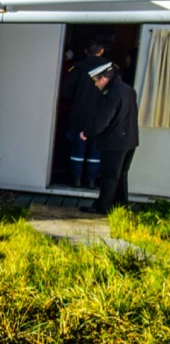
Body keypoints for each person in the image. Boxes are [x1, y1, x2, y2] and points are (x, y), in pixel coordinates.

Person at [80, 59, 140, 215]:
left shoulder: (112, 94)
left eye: (96, 81)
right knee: (121, 174)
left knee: (109, 176)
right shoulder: (128, 90)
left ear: (104, 79)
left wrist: (87, 132)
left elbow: (102, 120)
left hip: (115, 142)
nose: (95, 84)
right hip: (130, 140)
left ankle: (102, 207)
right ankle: (121, 206)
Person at [59, 41, 107, 186]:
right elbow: (115, 93)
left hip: (79, 116)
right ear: (102, 51)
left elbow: (65, 91)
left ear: (86, 52)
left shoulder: (77, 68)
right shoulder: (110, 69)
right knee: (95, 151)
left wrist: (78, 98)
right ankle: (91, 181)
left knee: (77, 149)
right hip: (100, 117)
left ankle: (76, 180)